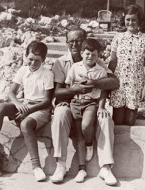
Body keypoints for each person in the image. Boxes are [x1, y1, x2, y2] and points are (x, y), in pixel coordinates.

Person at [0, 41, 54, 182]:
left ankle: (36, 166)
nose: (32, 63)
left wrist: (28, 109)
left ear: (43, 60)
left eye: (37, 61)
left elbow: (47, 101)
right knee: (1, 107)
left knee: (25, 125)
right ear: (25, 56)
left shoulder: (47, 74)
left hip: (40, 109)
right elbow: (11, 93)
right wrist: (19, 104)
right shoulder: (22, 70)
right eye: (30, 59)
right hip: (24, 105)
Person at [51, 28, 119, 186]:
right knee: (60, 114)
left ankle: (106, 167)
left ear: (85, 42)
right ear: (66, 42)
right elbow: (57, 91)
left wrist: (93, 83)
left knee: (105, 118)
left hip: (91, 103)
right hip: (70, 102)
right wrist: (73, 90)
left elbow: (114, 82)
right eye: (71, 41)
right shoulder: (61, 63)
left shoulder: (95, 59)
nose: (74, 44)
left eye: (78, 41)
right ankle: (60, 165)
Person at [65, 38, 108, 183]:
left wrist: (101, 106)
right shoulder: (75, 67)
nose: (90, 57)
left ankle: (90, 143)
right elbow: (67, 86)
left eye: (94, 55)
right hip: (75, 102)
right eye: (88, 54)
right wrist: (74, 90)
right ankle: (82, 169)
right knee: (79, 134)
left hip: (90, 103)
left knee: (86, 125)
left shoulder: (100, 71)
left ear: (98, 56)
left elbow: (103, 91)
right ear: (82, 53)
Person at [108, 4, 145, 126]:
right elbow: (112, 63)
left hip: (135, 85)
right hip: (118, 84)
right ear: (124, 20)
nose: (130, 22)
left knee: (129, 122)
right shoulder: (118, 38)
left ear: (139, 20)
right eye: (128, 19)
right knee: (117, 121)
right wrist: (107, 83)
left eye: (134, 19)